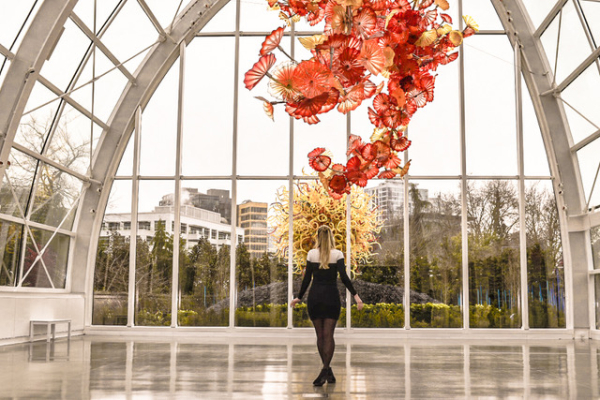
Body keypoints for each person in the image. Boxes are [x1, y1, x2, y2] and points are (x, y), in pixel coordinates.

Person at [290, 225, 364, 386]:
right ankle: (326, 370)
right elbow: (344, 278)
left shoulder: (311, 254)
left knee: (320, 336)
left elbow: (307, 279)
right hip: (331, 297)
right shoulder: (338, 254)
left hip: (315, 297)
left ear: (317, 237)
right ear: (331, 237)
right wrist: (356, 297)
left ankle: (325, 370)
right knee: (329, 336)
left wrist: (299, 298)